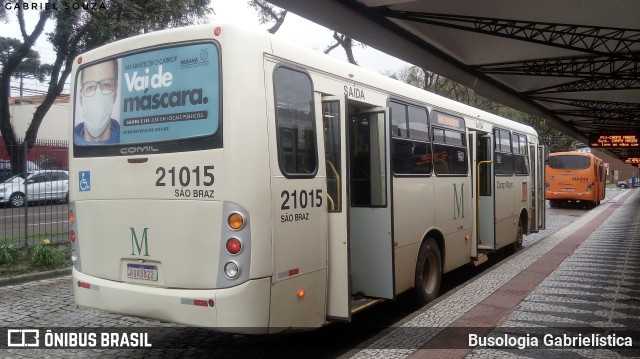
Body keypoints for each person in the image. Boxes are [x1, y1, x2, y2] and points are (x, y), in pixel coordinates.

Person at [74, 60, 120, 144]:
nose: (98, 97)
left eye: (106, 85)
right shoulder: (73, 143)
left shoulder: (127, 140)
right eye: (90, 87)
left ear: (115, 92)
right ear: (81, 97)